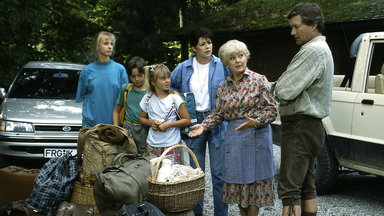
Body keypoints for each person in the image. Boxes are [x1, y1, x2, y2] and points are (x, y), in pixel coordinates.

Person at [189, 39, 278, 216]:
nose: (238, 60)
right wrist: (204, 126)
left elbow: (272, 110)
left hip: (256, 136)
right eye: (232, 58)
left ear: (246, 57)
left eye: (241, 56)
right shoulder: (223, 87)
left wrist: (257, 120)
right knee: (239, 187)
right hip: (235, 140)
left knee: (254, 189)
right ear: (226, 62)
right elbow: (218, 114)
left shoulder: (259, 80)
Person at [273, 3, 334, 216]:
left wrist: (277, 86)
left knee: (290, 189)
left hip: (299, 126)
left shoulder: (312, 51)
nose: (292, 32)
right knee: (307, 185)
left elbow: (284, 90)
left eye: (296, 27)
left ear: (314, 25)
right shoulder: (321, 49)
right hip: (311, 127)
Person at [170, 27, 230, 216]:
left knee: (219, 175)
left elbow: (234, 83)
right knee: (196, 174)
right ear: (194, 48)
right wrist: (180, 109)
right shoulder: (183, 67)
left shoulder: (222, 65)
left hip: (218, 120)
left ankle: (221, 213)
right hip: (193, 121)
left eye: (209, 42)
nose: (207, 47)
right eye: (202, 44)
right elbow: (170, 89)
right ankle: (197, 213)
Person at [139, 64, 191, 164]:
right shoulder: (147, 98)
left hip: (171, 145)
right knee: (155, 175)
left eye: (168, 77)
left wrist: (169, 124)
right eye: (163, 78)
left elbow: (187, 120)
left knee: (172, 176)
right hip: (152, 145)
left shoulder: (174, 98)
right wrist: (151, 123)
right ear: (153, 82)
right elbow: (141, 118)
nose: (167, 80)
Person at [76, 31, 128, 128]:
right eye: (105, 43)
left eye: (111, 44)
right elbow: (82, 96)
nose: (110, 46)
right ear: (97, 46)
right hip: (91, 126)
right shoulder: (87, 70)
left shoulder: (120, 69)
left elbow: (125, 99)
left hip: (114, 126)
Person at [113, 56, 148, 154]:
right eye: (133, 76)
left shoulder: (151, 92)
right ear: (129, 76)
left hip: (145, 129)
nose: (137, 79)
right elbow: (116, 110)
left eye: (140, 75)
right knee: (127, 157)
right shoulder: (126, 89)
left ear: (145, 74)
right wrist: (117, 129)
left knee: (144, 158)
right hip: (128, 129)